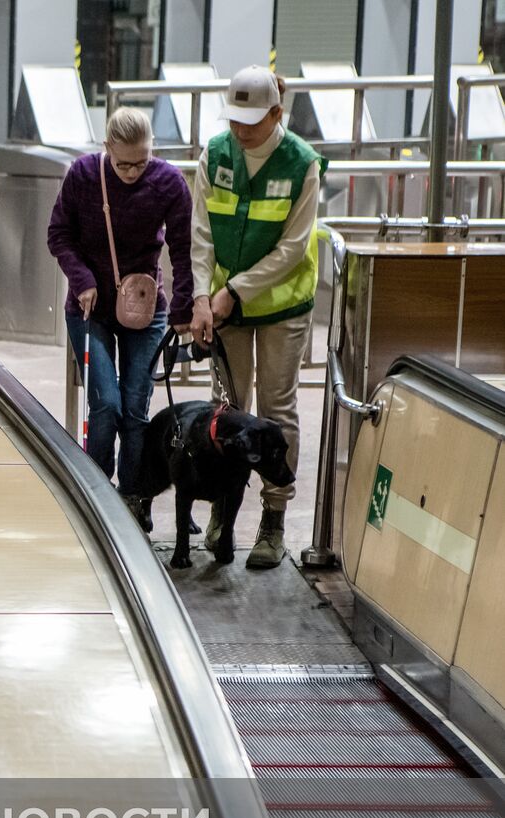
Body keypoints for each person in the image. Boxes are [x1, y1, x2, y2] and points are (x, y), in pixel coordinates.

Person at [189, 66, 325, 569]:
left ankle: (273, 518)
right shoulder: (215, 153)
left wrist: (235, 292)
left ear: (276, 113)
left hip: (280, 307)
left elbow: (293, 248)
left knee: (275, 407)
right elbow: (200, 233)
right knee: (225, 408)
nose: (240, 131)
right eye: (235, 120)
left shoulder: (302, 163)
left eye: (252, 121)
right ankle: (224, 507)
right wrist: (203, 296)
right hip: (224, 305)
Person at [47, 106, 194, 529]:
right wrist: (82, 278)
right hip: (89, 307)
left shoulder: (168, 182)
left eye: (141, 161)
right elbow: (59, 234)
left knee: (135, 407)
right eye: (123, 162)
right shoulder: (83, 175)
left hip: (145, 308)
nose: (132, 171)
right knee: (106, 405)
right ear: (107, 147)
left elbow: (182, 251)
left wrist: (183, 309)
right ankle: (94, 492)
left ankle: (132, 496)